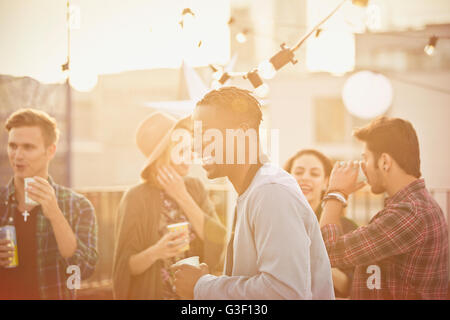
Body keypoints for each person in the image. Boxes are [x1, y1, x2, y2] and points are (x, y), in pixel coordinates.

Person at [172, 87, 334, 300]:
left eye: (206, 134)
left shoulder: (271, 192)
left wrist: (202, 287)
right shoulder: (254, 191)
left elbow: (284, 293)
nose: (196, 146)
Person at [320, 116, 448, 299]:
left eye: (365, 159)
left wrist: (336, 192)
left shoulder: (409, 213)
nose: (362, 168)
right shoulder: (413, 206)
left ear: (384, 162)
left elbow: (327, 252)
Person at [112, 111, 226, 300]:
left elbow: (218, 238)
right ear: (163, 155)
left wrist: (182, 196)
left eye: (190, 148)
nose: (190, 156)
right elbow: (125, 267)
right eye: (181, 150)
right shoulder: (135, 198)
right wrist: (156, 252)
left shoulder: (195, 188)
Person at [0, 108, 98, 300]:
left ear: (50, 151)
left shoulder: (77, 206)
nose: (18, 155)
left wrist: (55, 214)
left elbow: (82, 271)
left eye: (28, 147)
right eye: (13, 146)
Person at [284, 149, 358, 297]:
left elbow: (349, 287)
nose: (305, 178)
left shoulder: (347, 227)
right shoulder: (275, 221)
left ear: (326, 182)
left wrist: (312, 259)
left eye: (314, 174)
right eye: (298, 172)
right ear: (288, 178)